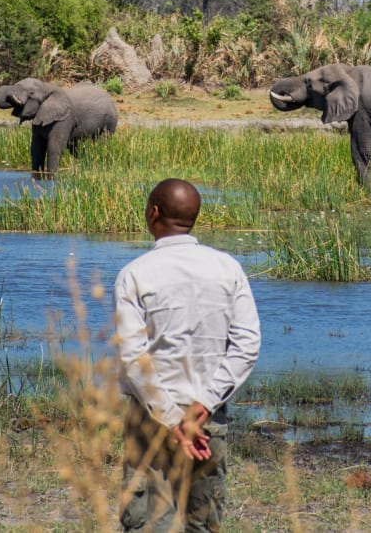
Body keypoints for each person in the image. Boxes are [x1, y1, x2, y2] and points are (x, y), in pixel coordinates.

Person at [113, 178, 261, 532]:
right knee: (203, 526)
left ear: (153, 213)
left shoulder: (134, 274)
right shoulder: (228, 268)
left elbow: (133, 358)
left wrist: (171, 418)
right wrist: (202, 408)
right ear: (194, 217)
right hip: (206, 425)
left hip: (151, 421)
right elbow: (247, 345)